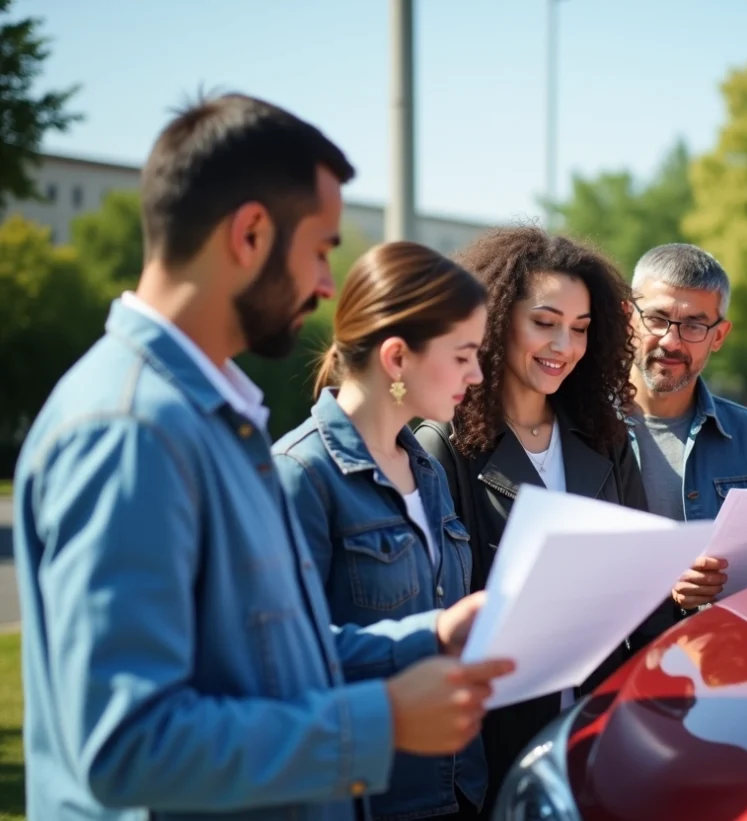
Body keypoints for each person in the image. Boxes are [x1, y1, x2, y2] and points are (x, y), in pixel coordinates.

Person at [11, 93, 512, 821]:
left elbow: (275, 660)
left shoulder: (207, 417)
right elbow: (124, 746)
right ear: (249, 233)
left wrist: (428, 635)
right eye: (319, 249)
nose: (326, 286)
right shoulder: (129, 431)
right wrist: (380, 724)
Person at [413, 225, 650, 814]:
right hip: (492, 753)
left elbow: (641, 581)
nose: (563, 346)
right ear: (494, 321)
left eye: (580, 329)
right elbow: (438, 612)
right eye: (544, 323)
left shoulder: (607, 438)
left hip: (597, 734)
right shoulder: (444, 444)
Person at [272, 241, 490, 820]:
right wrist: (436, 634)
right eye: (465, 354)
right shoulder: (299, 476)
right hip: (371, 797)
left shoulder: (427, 468)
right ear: (397, 359)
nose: (477, 373)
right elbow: (287, 662)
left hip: (461, 789)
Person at [624, 243, 747, 612]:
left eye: (695, 325)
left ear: (719, 336)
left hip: (720, 656)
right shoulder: (574, 429)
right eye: (657, 318)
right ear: (627, 318)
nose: (671, 341)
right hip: (611, 662)